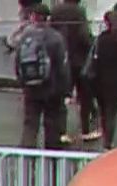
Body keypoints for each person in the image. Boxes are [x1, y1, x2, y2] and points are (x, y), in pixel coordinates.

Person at [14, 4, 70, 150]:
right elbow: (62, 67)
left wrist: (23, 84)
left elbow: (18, 63)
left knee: (30, 124)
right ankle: (50, 155)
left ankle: (27, 152)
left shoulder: (25, 37)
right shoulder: (56, 37)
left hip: (31, 88)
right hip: (52, 89)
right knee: (51, 124)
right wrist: (65, 90)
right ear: (48, 18)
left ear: (33, 17)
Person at [87, 9, 117, 150]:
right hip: (116, 82)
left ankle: (105, 136)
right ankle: (109, 141)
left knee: (102, 112)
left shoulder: (101, 40)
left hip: (100, 81)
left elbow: (95, 60)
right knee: (111, 113)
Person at [50, 0, 94, 141]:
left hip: (61, 58)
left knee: (61, 96)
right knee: (85, 96)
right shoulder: (79, 11)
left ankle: (61, 131)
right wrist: (92, 45)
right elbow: (84, 35)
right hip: (79, 60)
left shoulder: (56, 11)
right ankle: (85, 130)